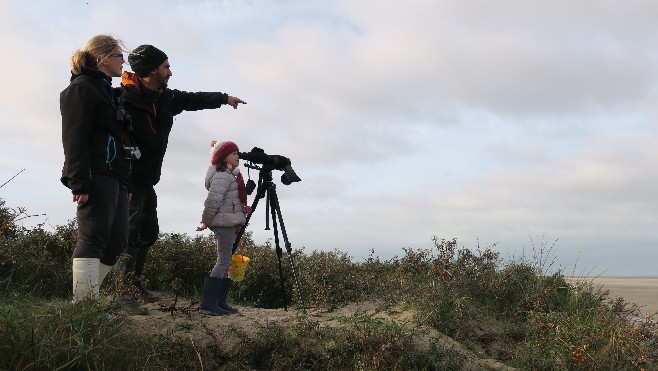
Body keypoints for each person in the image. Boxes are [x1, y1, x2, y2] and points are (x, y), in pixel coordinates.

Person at [118, 44, 247, 313]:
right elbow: (117, 143)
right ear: (152, 70)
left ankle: (134, 282)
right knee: (129, 236)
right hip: (130, 181)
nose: (170, 72)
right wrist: (124, 181)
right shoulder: (123, 99)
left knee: (148, 233)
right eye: (166, 67)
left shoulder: (166, 98)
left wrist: (224, 98)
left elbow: (193, 99)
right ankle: (123, 293)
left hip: (148, 180)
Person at [60, 35, 135, 303]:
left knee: (116, 242)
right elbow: (74, 137)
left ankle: (90, 299)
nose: (123, 61)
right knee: (93, 237)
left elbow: (120, 138)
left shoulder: (108, 91)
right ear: (103, 58)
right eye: (118, 55)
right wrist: (79, 181)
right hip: (95, 174)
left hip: (116, 176)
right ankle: (83, 308)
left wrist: (126, 181)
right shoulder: (82, 88)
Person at [196, 140, 251, 315]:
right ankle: (209, 304)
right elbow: (213, 201)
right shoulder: (222, 176)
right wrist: (206, 221)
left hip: (227, 221)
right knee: (223, 261)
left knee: (225, 261)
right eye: (234, 153)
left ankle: (219, 302)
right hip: (222, 222)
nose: (238, 156)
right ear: (224, 156)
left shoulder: (229, 175)